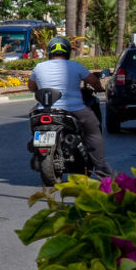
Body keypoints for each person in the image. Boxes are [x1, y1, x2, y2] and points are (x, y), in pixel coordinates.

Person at [29, 35, 106, 175]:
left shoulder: (39, 67)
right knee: (93, 130)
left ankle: (36, 145)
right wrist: (99, 88)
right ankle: (101, 168)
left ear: (49, 52)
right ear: (68, 52)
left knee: (33, 116)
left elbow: (31, 86)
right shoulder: (75, 66)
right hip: (73, 109)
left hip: (44, 109)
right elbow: (93, 81)